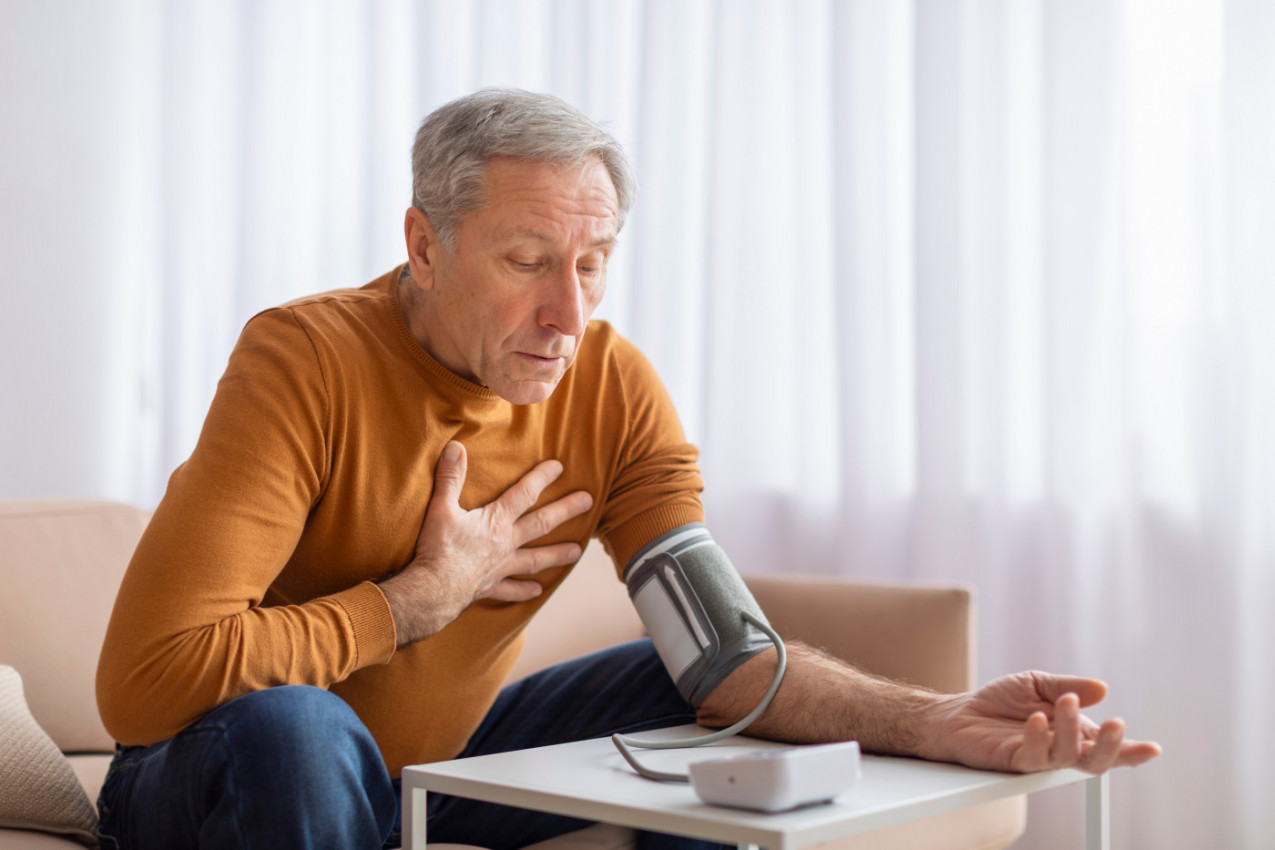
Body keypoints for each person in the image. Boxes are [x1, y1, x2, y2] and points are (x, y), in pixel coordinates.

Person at [94, 89, 1160, 850]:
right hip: (214, 767)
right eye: (526, 262)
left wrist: (940, 721)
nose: (570, 312)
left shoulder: (612, 386)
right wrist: (413, 602)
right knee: (301, 726)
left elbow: (729, 663)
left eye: (593, 263)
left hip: (431, 772)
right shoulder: (302, 359)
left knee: (692, 691)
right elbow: (141, 684)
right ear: (425, 246)